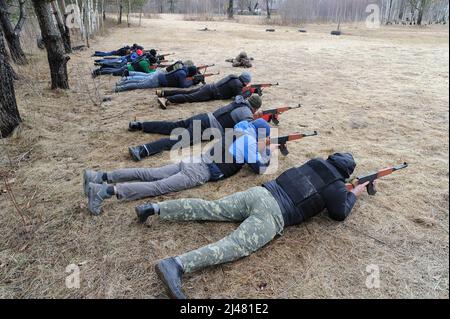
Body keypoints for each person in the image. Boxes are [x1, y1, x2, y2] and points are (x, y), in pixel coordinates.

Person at [133, 153, 368, 299]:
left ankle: (155, 208)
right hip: (274, 214)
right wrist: (355, 192)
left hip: (259, 192)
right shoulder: (337, 187)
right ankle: (176, 265)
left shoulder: (315, 162)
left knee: (209, 207)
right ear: (347, 174)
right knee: (234, 245)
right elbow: (338, 213)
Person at [83, 119, 273, 215]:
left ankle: (99, 176)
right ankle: (104, 191)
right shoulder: (249, 140)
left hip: (194, 160)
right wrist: (267, 150)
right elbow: (259, 168)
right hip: (202, 171)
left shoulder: (238, 130)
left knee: (149, 173)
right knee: (157, 187)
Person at [128, 95, 263, 160]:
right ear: (256, 108)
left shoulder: (239, 101)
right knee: (177, 141)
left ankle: (140, 125)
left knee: (173, 126)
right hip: (205, 126)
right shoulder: (246, 113)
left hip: (204, 117)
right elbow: (246, 132)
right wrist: (255, 120)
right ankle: (142, 150)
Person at [157, 72, 252, 109]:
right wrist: (249, 92)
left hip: (209, 87)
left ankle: (163, 93)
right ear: (245, 81)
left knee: (187, 92)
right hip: (210, 93)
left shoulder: (233, 78)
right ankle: (166, 100)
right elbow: (238, 98)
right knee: (189, 97)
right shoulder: (237, 84)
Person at [115, 65, 200, 93]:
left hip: (158, 76)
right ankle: (119, 88)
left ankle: (121, 83)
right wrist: (192, 81)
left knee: (139, 81)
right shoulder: (182, 74)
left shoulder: (183, 70)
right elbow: (183, 85)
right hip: (157, 80)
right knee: (138, 85)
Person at [92, 53, 158, 78]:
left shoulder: (145, 61)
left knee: (113, 70)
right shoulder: (145, 63)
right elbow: (147, 72)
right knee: (112, 71)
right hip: (127, 69)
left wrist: (152, 68)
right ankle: (97, 72)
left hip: (127, 68)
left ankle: (100, 70)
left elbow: (147, 69)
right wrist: (154, 70)